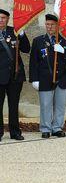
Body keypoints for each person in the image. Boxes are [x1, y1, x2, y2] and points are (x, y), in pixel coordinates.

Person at [29, 14, 66, 139]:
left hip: (62, 78)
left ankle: (57, 127)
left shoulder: (64, 40)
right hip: (44, 78)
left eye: (52, 25)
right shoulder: (38, 41)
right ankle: (45, 128)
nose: (49, 27)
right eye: (47, 24)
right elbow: (33, 62)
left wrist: (63, 50)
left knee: (60, 105)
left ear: (57, 26)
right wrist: (34, 79)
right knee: (45, 104)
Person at [0, 9, 30, 142]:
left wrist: (22, 34)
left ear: (8, 19)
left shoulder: (15, 32)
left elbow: (26, 49)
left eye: (3, 18)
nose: (1, 20)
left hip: (15, 75)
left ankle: (15, 132)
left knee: (14, 105)